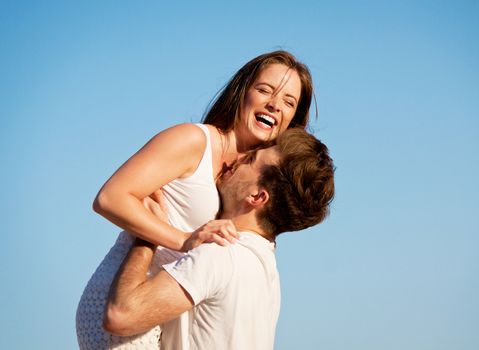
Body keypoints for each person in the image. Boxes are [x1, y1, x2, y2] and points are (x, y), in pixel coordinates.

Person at [76, 50, 315, 349]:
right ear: (242, 92)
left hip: (159, 311)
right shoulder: (193, 141)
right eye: (265, 90)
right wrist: (183, 239)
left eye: (288, 102)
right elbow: (110, 198)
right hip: (121, 302)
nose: (274, 105)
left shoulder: (254, 176)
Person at [103, 128, 335, 350]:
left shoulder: (221, 254)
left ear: (256, 196)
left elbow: (120, 315)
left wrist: (148, 238)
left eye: (251, 160)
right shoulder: (267, 273)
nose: (238, 159)